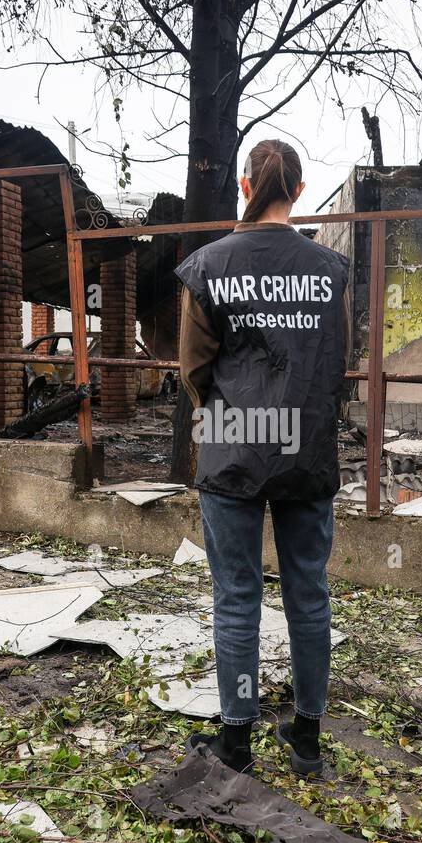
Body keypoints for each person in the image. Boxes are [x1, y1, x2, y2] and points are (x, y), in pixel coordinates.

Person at [174, 139, 352, 776]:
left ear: (246, 187)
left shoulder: (209, 265)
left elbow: (193, 367)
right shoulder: (332, 271)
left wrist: (222, 416)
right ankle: (306, 737)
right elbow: (339, 359)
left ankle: (237, 740)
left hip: (233, 451)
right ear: (298, 192)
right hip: (306, 449)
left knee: (237, 595)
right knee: (309, 592)